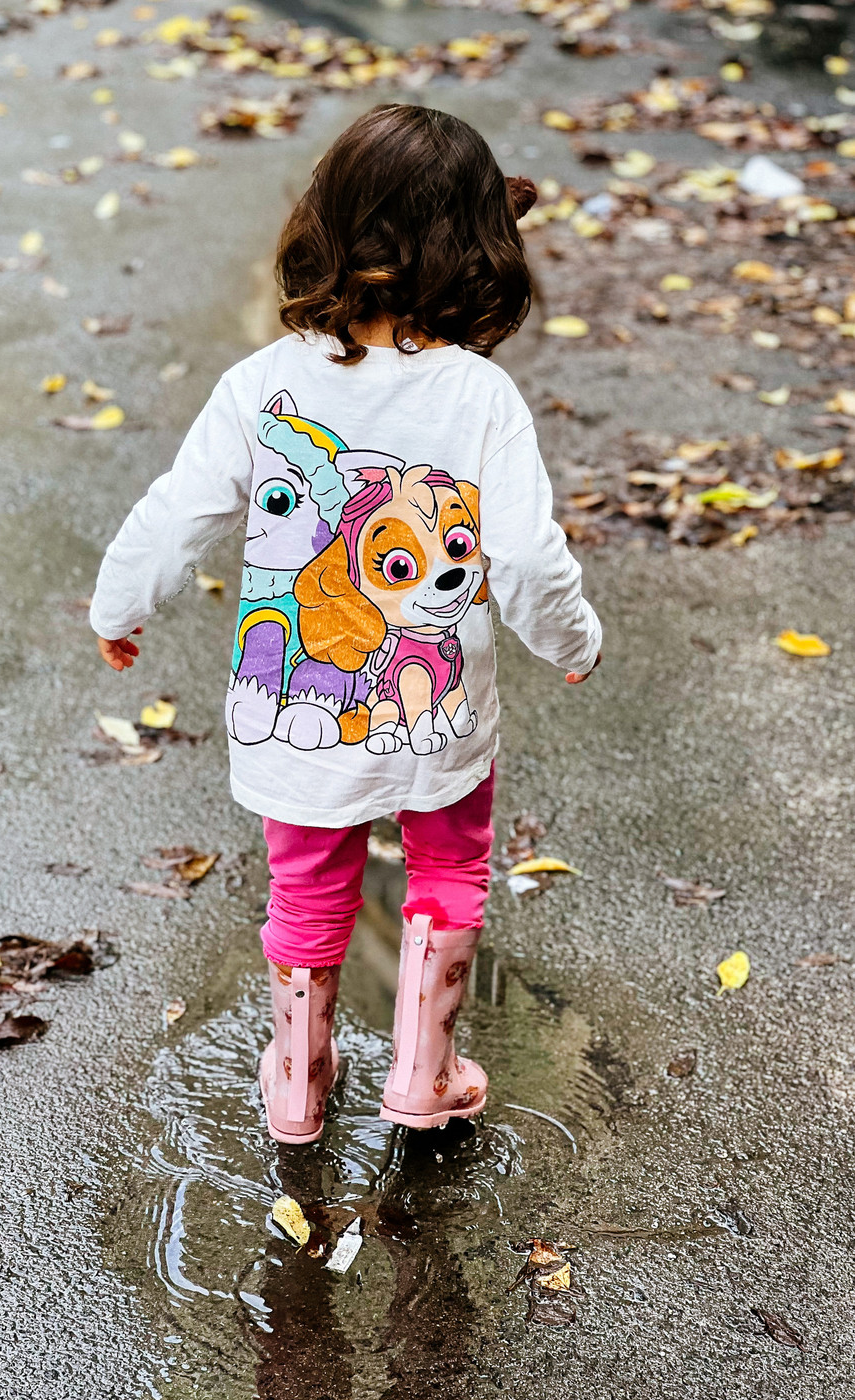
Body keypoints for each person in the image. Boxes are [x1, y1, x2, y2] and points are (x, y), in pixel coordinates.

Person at [90, 103, 602, 1146]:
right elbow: (532, 554)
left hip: (295, 715)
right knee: (448, 866)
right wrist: (570, 638)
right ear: (481, 254)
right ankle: (423, 1073)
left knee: (307, 879)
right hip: (435, 712)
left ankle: (297, 1082)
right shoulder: (479, 398)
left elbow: (180, 506)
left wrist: (120, 602)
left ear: (320, 228)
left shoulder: (262, 384)